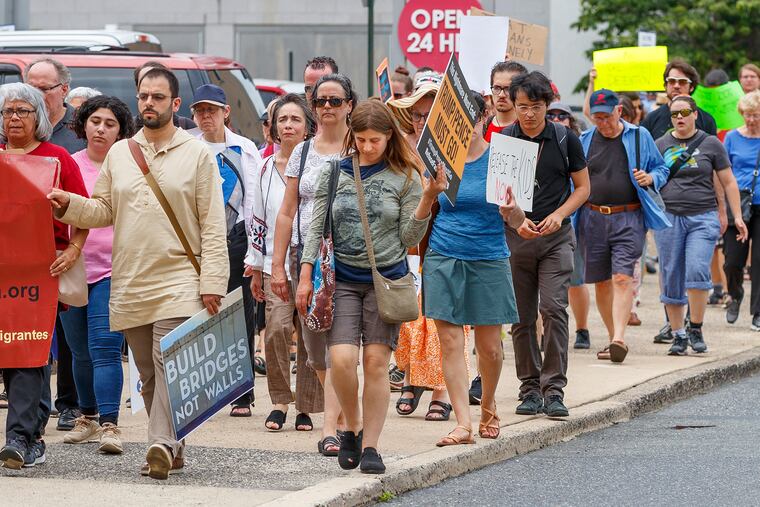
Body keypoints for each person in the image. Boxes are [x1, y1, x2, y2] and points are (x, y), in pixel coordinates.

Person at [47, 67, 229, 480]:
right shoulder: (120, 152)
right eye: (144, 96)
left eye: (158, 97)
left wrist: (213, 282)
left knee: (167, 360)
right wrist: (67, 206)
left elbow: (213, 223)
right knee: (147, 372)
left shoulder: (196, 153)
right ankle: (174, 443)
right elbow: (103, 210)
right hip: (130, 277)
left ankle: (158, 445)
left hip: (181, 276)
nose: (149, 102)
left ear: (175, 104)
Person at [296, 99, 440, 473]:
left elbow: (409, 234)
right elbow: (316, 226)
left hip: (386, 282)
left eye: (374, 140)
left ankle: (372, 446)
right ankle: (352, 427)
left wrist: (426, 199)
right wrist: (305, 273)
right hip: (341, 279)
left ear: (390, 137)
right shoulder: (334, 172)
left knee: (376, 363)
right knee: (342, 360)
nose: (366, 147)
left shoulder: (406, 176)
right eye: (359, 139)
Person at [421, 92, 522, 447]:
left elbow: (519, 217)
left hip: (489, 256)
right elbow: (425, 206)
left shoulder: (502, 158)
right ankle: (463, 423)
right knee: (450, 341)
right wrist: (430, 192)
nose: (463, 127)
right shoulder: (439, 159)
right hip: (444, 254)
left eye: (470, 119)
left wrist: (512, 211)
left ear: (484, 117)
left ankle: (489, 404)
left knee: (490, 348)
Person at [0, 82, 88, 469]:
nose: (14, 118)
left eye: (22, 111)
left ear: (39, 117)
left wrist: (73, 249)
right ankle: (31, 434)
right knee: (12, 353)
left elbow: (85, 212)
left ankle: (19, 438)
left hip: (41, 272)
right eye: (7, 112)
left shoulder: (58, 159)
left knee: (29, 351)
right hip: (3, 272)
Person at [270, 73, 356, 456]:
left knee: (342, 346)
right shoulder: (302, 152)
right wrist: (276, 265)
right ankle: (342, 412)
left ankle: (332, 426)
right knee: (314, 347)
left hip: (349, 258)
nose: (326, 108)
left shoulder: (361, 148)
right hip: (305, 258)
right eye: (320, 101)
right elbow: (287, 212)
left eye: (335, 101)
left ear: (349, 105)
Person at [502, 71, 590, 417]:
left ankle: (554, 389)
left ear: (547, 105)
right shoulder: (506, 140)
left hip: (556, 237)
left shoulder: (566, 139)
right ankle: (529, 388)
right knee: (522, 317)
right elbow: (500, 196)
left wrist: (559, 214)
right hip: (517, 237)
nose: (528, 114)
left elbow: (583, 188)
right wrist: (517, 221)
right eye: (521, 106)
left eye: (535, 107)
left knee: (553, 308)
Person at [57, 96, 135, 455]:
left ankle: (110, 424)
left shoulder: (127, 167)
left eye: (110, 124)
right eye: (95, 121)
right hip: (72, 269)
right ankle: (86, 417)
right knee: (77, 351)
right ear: (83, 124)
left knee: (104, 348)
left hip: (113, 269)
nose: (101, 129)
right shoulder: (67, 164)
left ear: (121, 131)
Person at [387, 82, 465, 421]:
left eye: (428, 115)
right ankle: (409, 377)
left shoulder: (455, 149)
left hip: (446, 242)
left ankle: (441, 390)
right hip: (408, 245)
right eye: (417, 115)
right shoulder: (400, 148)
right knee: (409, 318)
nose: (422, 121)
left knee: (442, 320)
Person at [245, 93, 322, 431]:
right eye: (282, 120)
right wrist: (258, 267)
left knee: (309, 332)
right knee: (276, 328)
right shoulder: (263, 167)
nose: (288, 125)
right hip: (274, 262)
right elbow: (257, 217)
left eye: (295, 120)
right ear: (274, 127)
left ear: (307, 127)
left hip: (311, 260)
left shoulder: (319, 163)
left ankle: (307, 405)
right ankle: (279, 400)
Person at [578, 89, 670, 363]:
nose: (603, 123)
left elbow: (662, 168)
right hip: (592, 217)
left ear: (619, 111)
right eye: (597, 118)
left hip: (629, 216)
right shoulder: (584, 140)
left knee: (622, 277)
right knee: (602, 283)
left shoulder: (639, 136)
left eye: (607, 117)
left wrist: (651, 177)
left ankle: (619, 337)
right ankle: (611, 338)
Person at [654, 95, 748, 355]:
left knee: (696, 268)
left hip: (702, 216)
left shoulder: (710, 143)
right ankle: (678, 334)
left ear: (695, 114)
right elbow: (650, 179)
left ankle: (695, 327)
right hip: (668, 216)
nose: (680, 118)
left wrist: (735, 216)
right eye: (674, 114)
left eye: (685, 112)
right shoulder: (660, 144)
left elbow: (728, 181)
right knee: (671, 273)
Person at [190, 83, 262, 417]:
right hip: (197, 242)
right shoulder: (188, 147)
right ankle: (201, 388)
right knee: (196, 313)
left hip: (236, 239)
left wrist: (255, 251)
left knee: (240, 314)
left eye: (212, 111)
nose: (206, 117)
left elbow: (254, 201)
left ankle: (242, 392)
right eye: (200, 111)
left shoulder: (245, 148)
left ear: (225, 113)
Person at [24, 57, 86, 431]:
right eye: (30, 85)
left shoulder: (76, 133)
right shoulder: (9, 139)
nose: (36, 94)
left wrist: (74, 248)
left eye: (44, 87)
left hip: (62, 251)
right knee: (29, 334)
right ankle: (32, 409)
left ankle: (69, 403)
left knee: (68, 334)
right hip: (20, 255)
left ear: (64, 89)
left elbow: (84, 205)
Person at [546, 102, 591, 349]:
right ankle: (543, 336)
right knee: (543, 292)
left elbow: (584, 186)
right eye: (551, 114)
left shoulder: (575, 144)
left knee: (576, 280)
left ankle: (582, 328)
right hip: (541, 224)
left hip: (572, 223)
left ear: (570, 121)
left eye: (561, 115)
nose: (556, 118)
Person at [724, 91, 760, 328]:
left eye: (756, 115)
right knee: (732, 261)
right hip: (737, 206)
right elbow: (723, 171)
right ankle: (735, 293)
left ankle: (758, 311)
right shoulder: (731, 138)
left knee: (759, 260)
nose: (751, 120)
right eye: (747, 115)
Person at [641, 60, 718, 141]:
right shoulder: (651, 120)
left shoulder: (706, 120)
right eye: (671, 81)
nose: (676, 86)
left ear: (691, 87)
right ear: (665, 86)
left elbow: (713, 151)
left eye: (682, 82)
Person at [132, 61, 196, 130]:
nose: (148, 102)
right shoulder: (127, 127)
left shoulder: (186, 126)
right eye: (144, 79)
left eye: (158, 97)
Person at [484, 61, 527, 142]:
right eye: (497, 88)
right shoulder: (480, 127)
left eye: (508, 89)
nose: (501, 94)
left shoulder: (530, 130)